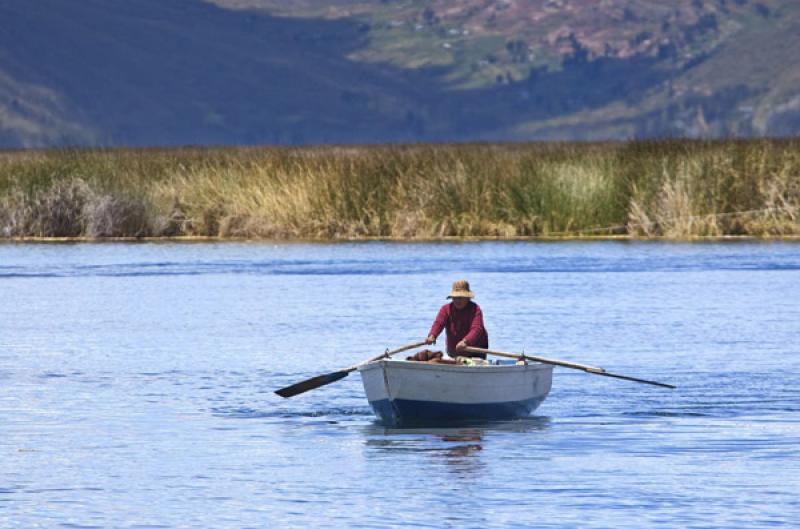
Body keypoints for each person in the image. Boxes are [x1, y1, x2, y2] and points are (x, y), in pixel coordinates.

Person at [425, 279, 489, 359]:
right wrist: (432, 335)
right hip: (453, 351)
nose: (457, 300)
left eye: (460, 298)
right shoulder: (445, 309)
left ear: (468, 298)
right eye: (455, 297)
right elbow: (439, 323)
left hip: (475, 350)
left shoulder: (475, 309)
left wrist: (465, 341)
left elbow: (477, 329)